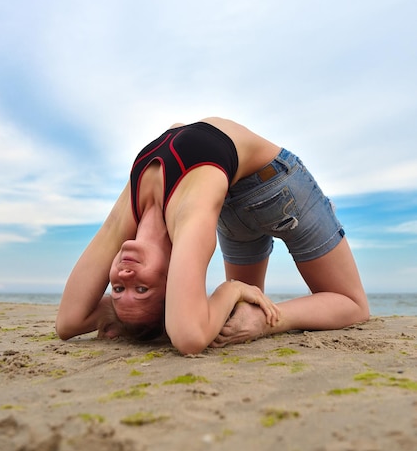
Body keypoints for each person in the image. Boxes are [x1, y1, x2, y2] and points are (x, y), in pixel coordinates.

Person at [55, 117, 369, 355]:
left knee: (243, 306)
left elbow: (68, 323)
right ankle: (276, 319)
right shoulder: (189, 220)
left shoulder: (128, 214)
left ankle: (260, 313)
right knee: (353, 304)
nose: (124, 274)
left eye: (119, 288)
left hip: (228, 202)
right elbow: (189, 336)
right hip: (276, 187)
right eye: (141, 287)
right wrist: (230, 290)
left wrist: (123, 310)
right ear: (175, 278)